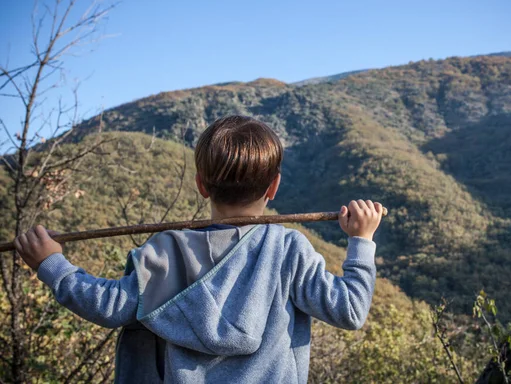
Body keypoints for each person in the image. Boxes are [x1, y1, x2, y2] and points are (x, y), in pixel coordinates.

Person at [14, 115, 384, 384]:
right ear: (274, 187)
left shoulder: (165, 253)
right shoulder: (288, 250)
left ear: (201, 185)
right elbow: (350, 310)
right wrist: (361, 241)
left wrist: (51, 264)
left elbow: (109, 306)